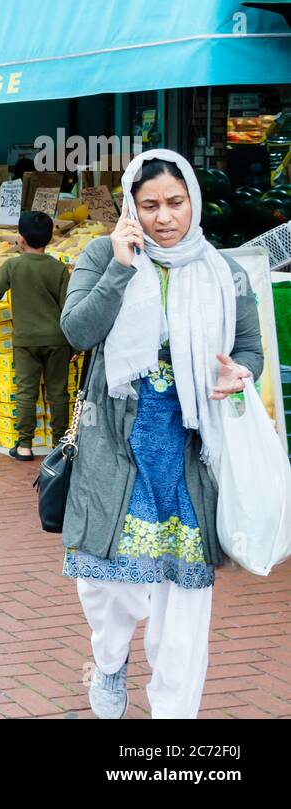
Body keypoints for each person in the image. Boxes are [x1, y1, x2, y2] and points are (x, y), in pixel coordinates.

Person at [59, 149, 261, 720]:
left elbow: (249, 350)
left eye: (175, 202)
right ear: (131, 207)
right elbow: (77, 333)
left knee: (186, 597)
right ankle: (110, 659)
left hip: (193, 446)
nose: (164, 217)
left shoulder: (226, 271)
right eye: (149, 205)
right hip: (116, 441)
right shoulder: (103, 254)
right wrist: (122, 269)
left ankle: (174, 720)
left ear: (193, 201)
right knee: (105, 586)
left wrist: (239, 373)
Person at [0, 210, 71, 460]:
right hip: (57, 340)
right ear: (49, 239)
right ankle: (60, 444)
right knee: (57, 392)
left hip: (26, 341)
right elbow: (68, 308)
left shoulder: (13, 265)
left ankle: (25, 445)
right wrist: (75, 345)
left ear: (21, 238)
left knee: (26, 391)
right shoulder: (59, 269)